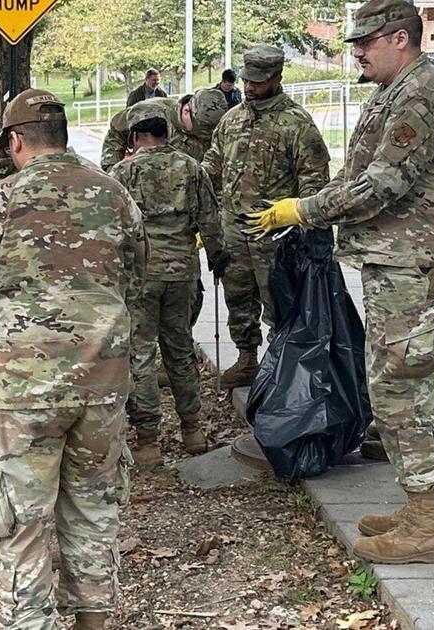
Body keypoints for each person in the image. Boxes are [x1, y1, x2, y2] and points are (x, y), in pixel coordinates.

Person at [244, 0, 434, 564]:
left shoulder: (421, 95)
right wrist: (312, 205)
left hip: (418, 265)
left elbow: (380, 185)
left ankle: (427, 525)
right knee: (408, 384)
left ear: (400, 38)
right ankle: (428, 508)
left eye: (366, 42)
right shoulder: (398, 92)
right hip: (405, 262)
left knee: (398, 388)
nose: (357, 53)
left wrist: (303, 210)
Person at [0, 89, 146, 630]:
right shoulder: (114, 194)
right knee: (93, 508)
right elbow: (136, 279)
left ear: (16, 140)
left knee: (19, 521)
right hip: (102, 383)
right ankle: (92, 622)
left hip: (24, 391)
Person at [201, 45, 331, 389]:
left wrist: (299, 221)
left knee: (280, 302)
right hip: (233, 230)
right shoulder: (231, 119)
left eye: (258, 82)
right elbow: (213, 164)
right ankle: (247, 359)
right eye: (247, 80)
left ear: (277, 78)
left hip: (275, 234)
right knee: (238, 297)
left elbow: (315, 182)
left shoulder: (296, 123)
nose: (250, 87)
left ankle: (280, 366)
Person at [109, 101, 227, 467]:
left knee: (141, 355)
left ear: (135, 135)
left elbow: (111, 228)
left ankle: (148, 440)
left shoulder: (121, 173)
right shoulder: (191, 168)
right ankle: (192, 429)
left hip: (140, 277)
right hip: (182, 274)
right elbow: (210, 222)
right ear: (167, 132)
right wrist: (217, 258)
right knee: (180, 349)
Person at [102, 88, 229, 173]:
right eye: (202, 130)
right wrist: (113, 170)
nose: (205, 134)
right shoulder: (150, 110)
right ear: (186, 111)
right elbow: (115, 133)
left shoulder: (213, 126)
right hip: (143, 181)